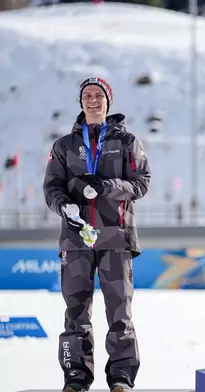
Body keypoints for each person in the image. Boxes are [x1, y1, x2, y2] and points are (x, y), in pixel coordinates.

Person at [43, 77, 151, 392]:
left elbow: (141, 182)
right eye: (87, 96)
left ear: (108, 102)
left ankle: (121, 378)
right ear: (81, 102)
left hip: (116, 238)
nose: (93, 101)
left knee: (120, 312)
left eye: (99, 96)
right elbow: (51, 188)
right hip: (76, 241)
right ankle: (75, 377)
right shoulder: (64, 146)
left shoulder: (127, 141)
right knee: (75, 313)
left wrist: (108, 186)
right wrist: (66, 208)